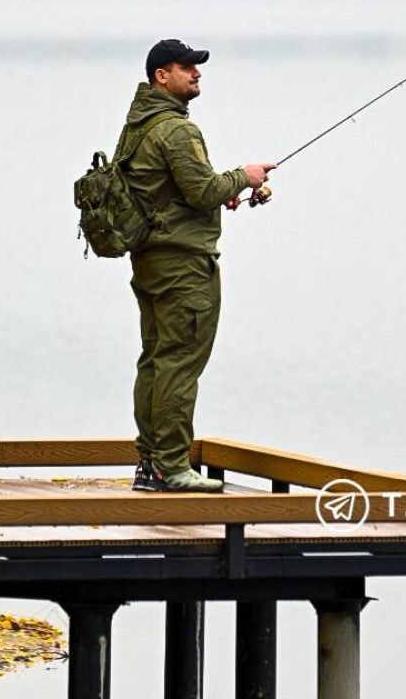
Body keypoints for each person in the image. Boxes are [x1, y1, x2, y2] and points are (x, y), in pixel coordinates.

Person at [113, 39, 275, 493]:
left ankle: (150, 463)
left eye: (196, 67)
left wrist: (221, 190)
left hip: (150, 260)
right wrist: (245, 176)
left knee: (156, 362)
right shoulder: (178, 131)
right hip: (183, 266)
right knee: (180, 364)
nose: (196, 73)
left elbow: (171, 190)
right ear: (161, 76)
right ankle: (170, 465)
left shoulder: (138, 126)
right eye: (186, 67)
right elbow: (203, 192)